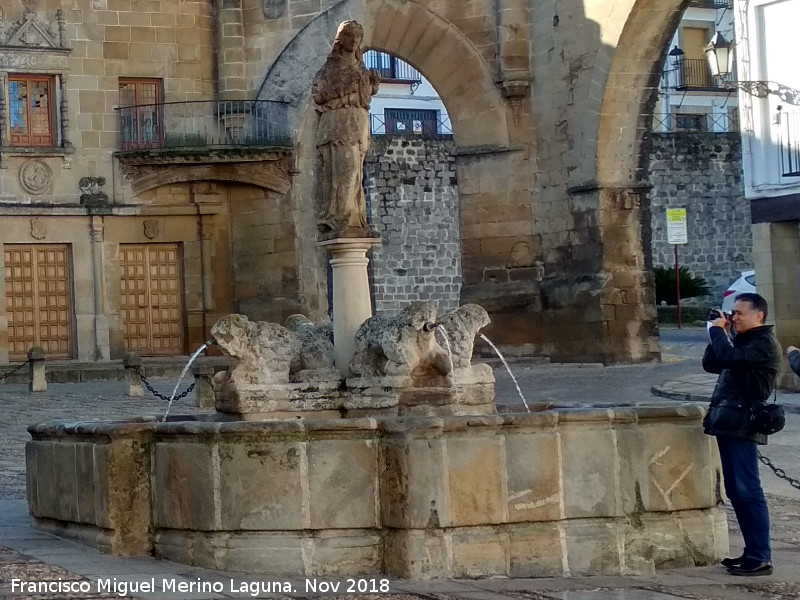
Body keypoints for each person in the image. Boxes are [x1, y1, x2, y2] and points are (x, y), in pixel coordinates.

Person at [702, 292, 781, 576]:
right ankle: (752, 553)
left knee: (748, 490)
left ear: (758, 315)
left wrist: (718, 333)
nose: (733, 317)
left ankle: (761, 556)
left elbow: (728, 357)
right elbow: (713, 363)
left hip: (743, 421)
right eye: (732, 313)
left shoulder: (762, 343)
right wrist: (718, 334)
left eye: (739, 313)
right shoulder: (743, 340)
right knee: (737, 490)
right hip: (729, 420)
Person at [311, 20, 380, 238]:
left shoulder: (360, 68)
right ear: (342, 40)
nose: (354, 41)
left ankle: (354, 219)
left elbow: (364, 98)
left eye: (358, 37)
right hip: (338, 125)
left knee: (357, 173)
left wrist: (371, 86)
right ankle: (338, 217)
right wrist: (347, 87)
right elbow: (319, 95)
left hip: (358, 123)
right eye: (350, 36)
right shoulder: (330, 68)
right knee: (344, 170)